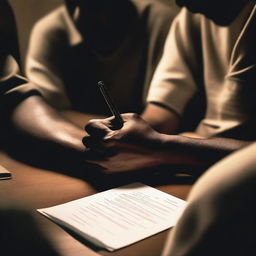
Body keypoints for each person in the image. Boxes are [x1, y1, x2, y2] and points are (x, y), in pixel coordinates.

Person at [83, 0, 256, 174]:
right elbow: (164, 111)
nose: (179, 2)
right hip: (198, 161)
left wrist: (162, 146)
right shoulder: (193, 15)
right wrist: (125, 134)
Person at [25, 0, 174, 115]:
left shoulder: (162, 23)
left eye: (95, 5)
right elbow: (49, 113)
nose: (78, 16)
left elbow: (166, 115)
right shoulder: (49, 32)